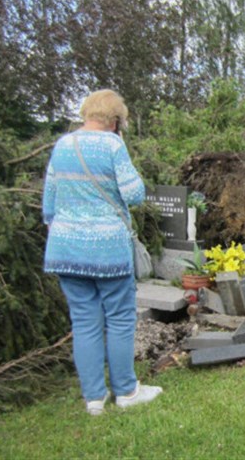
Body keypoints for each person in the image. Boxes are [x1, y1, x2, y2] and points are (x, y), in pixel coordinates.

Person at [42, 89, 162, 415]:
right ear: (115, 120)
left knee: (83, 323)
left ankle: (94, 399)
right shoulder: (112, 144)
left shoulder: (62, 145)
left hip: (66, 249)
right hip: (107, 248)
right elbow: (135, 194)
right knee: (120, 320)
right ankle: (126, 391)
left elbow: (49, 205)